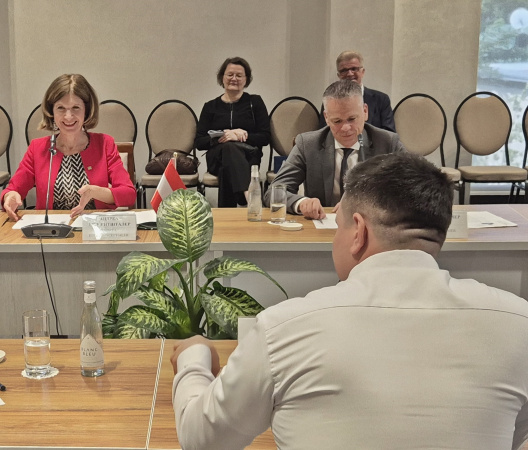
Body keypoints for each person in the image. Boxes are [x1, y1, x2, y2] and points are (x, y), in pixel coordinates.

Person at [171, 152, 528, 450]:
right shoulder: (518, 324)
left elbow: (201, 438)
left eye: (337, 224)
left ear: (358, 232)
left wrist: (194, 358)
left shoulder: (284, 329)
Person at [1, 74, 135, 220]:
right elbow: (13, 189)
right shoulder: (37, 148)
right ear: (51, 111)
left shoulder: (104, 144)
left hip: (94, 231)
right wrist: (10, 196)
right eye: (61, 108)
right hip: (51, 234)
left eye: (76, 108)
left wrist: (95, 191)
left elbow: (128, 194)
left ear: (87, 110)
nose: (68, 116)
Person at [266, 79, 405, 219]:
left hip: (372, 227)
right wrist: (302, 203)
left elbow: (413, 190)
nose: (346, 128)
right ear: (326, 117)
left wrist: (366, 205)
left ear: (365, 111)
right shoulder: (308, 144)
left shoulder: (388, 143)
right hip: (322, 225)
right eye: (337, 121)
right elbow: (273, 192)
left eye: (352, 119)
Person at [195, 57, 271, 207]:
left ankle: (227, 219)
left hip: (249, 158)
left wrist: (243, 135)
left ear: (246, 79)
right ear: (222, 77)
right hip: (217, 157)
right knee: (228, 148)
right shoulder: (210, 106)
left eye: (239, 75)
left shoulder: (254, 102)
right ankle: (249, 198)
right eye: (230, 75)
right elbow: (199, 142)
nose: (234, 79)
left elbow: (265, 137)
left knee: (226, 170)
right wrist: (224, 135)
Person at [318, 50, 396, 132]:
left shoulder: (381, 99)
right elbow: (323, 133)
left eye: (354, 69)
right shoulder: (329, 100)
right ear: (339, 75)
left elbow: (389, 133)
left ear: (362, 72)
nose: (350, 74)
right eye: (344, 70)